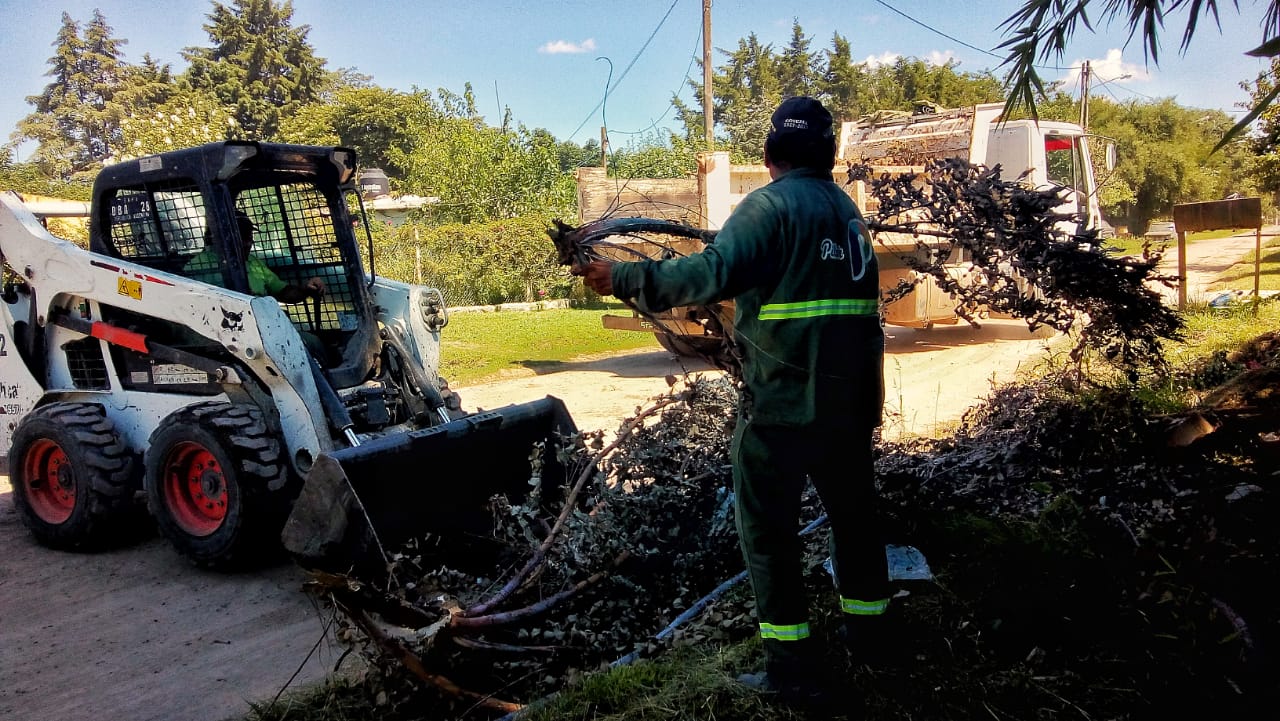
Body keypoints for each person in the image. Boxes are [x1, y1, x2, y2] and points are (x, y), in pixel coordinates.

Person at [577, 96, 889, 701]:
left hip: (784, 409)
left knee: (769, 533)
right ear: (828, 155)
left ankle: (792, 670)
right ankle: (872, 640)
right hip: (849, 407)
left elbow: (711, 273)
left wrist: (625, 278)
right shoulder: (845, 211)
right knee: (855, 521)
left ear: (770, 155)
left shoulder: (768, 207)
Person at [185, 211, 325, 303]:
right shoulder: (197, 267)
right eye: (243, 237)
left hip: (259, 327)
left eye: (250, 237)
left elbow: (283, 292)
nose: (248, 243)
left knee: (313, 343)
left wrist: (306, 289)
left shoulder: (253, 263)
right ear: (225, 238)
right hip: (222, 332)